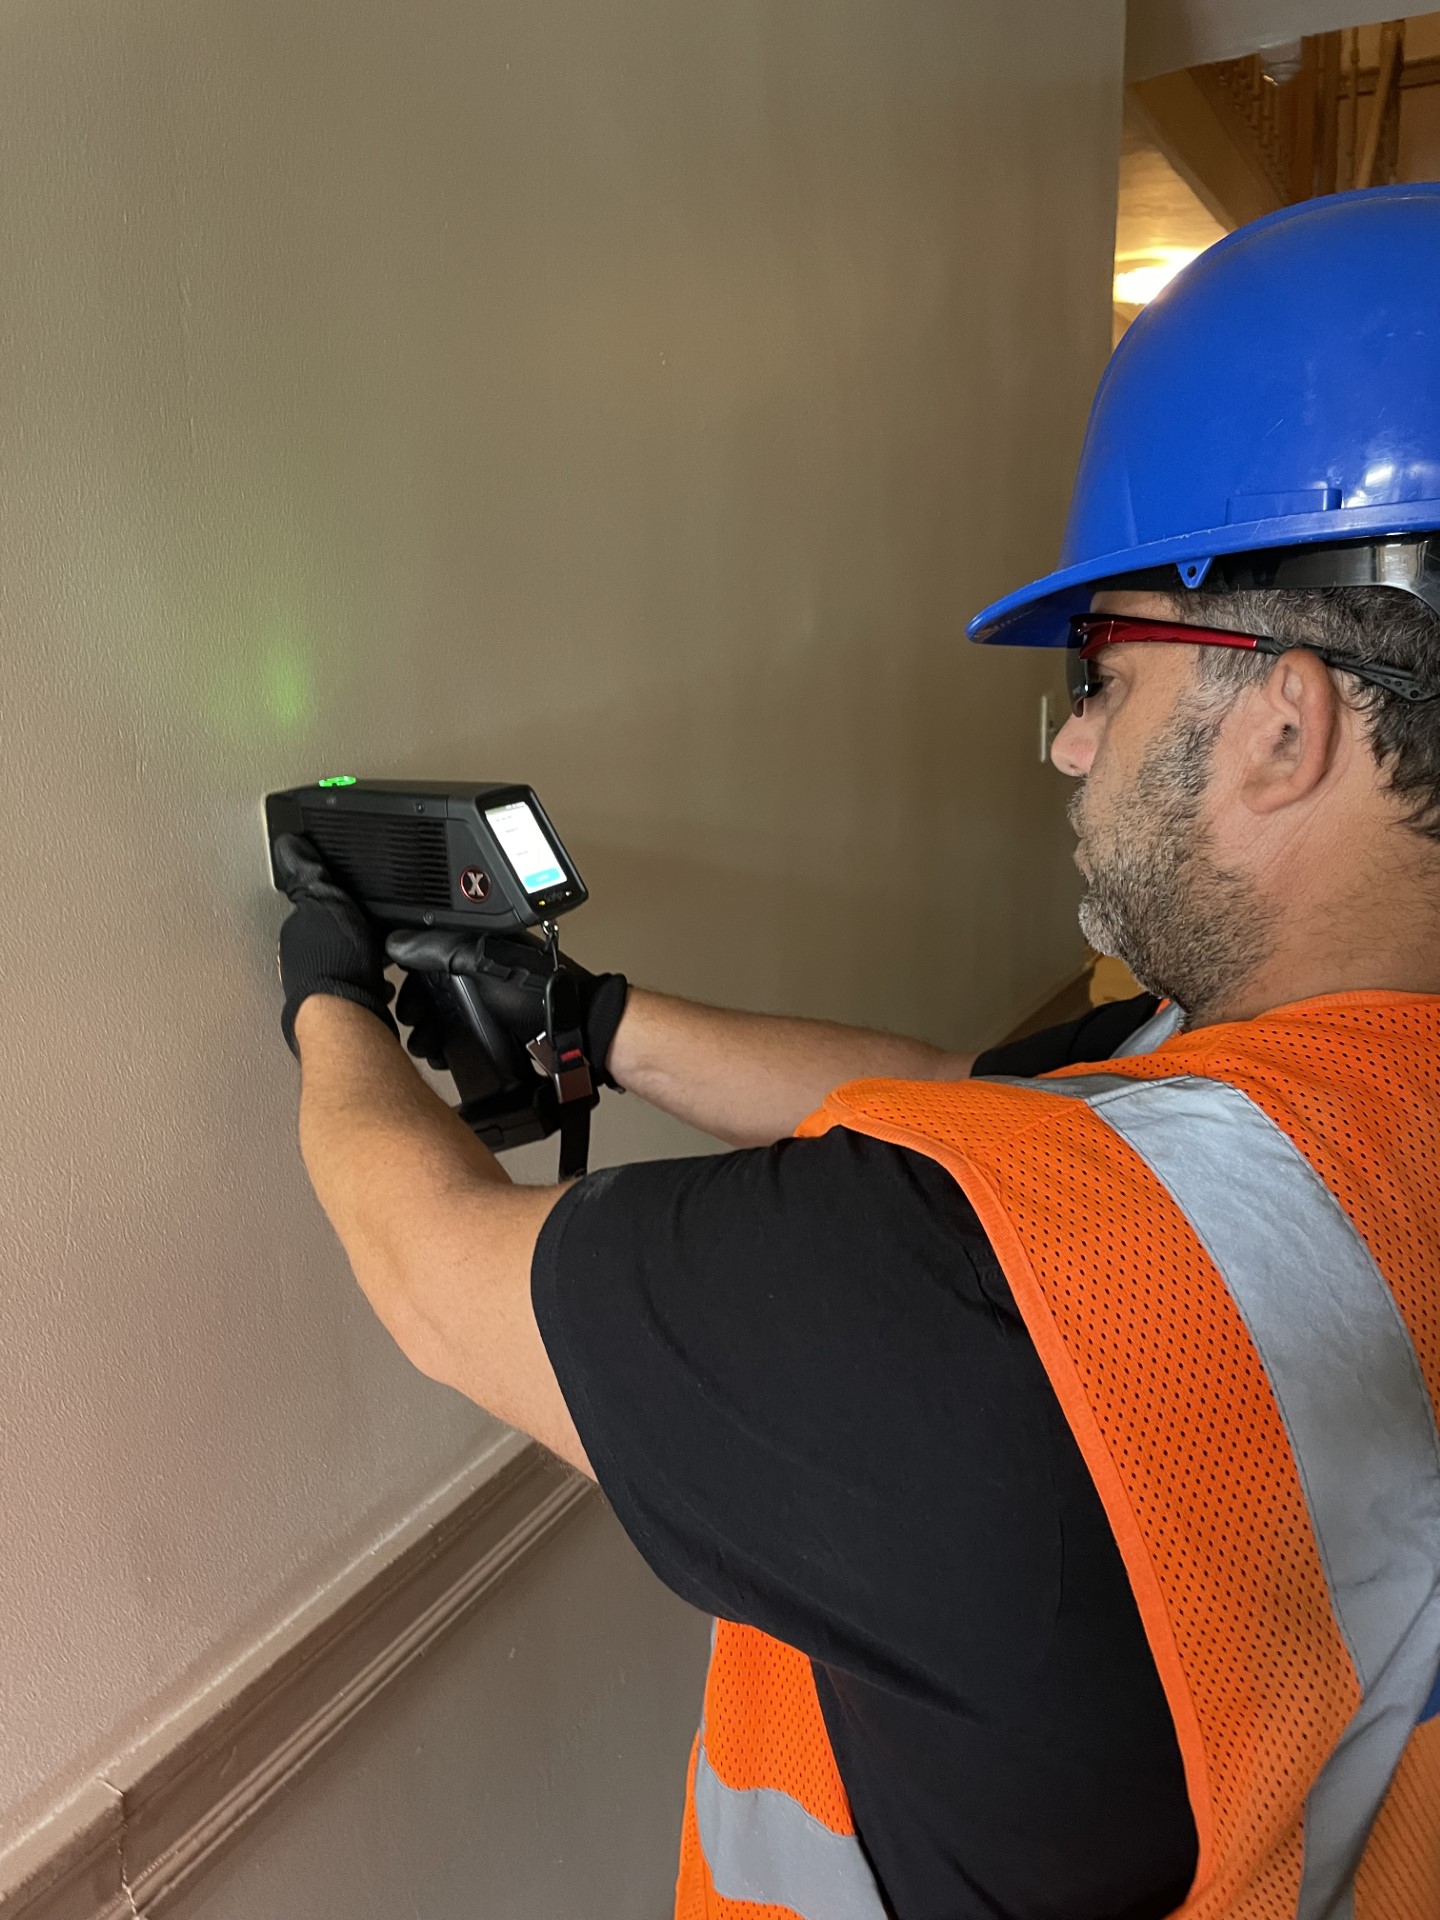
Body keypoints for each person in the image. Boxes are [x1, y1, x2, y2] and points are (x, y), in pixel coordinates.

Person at [272, 185, 1440, 1920]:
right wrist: (600, 1022)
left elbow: (433, 1270)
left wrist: (322, 989)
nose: (1068, 748)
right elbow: (989, 1108)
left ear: (1286, 724)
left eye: (1105, 672)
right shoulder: (1319, 1093)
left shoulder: (977, 1299)